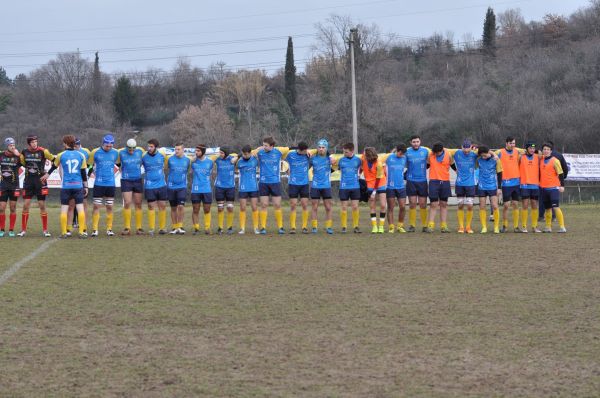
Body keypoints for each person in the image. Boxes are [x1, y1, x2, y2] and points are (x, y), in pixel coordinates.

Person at [18, 135, 55, 237]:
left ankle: (45, 230)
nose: (35, 144)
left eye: (36, 142)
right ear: (29, 143)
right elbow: (22, 163)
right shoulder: (24, 152)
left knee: (42, 205)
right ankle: (23, 230)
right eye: (33, 142)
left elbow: (55, 161)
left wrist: (48, 174)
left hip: (41, 181)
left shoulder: (44, 151)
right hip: (28, 181)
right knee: (25, 205)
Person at [54, 135, 88, 239]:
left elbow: (53, 166)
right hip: (78, 186)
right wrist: (86, 187)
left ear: (65, 143)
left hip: (66, 186)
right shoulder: (81, 155)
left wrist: (46, 175)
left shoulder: (61, 155)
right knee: (80, 208)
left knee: (64, 208)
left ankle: (64, 232)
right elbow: (83, 173)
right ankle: (81, 232)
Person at [255, 136, 290, 234]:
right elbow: (249, 153)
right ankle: (263, 227)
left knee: (277, 205)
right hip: (263, 182)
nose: (264, 147)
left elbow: (289, 149)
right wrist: (257, 149)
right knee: (264, 205)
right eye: (263, 145)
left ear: (272, 146)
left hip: (275, 182)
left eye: (266, 146)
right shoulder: (260, 152)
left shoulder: (278, 151)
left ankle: (280, 227)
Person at [89, 134, 120, 237]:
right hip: (99, 183)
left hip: (110, 184)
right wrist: (89, 176)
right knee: (96, 206)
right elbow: (89, 166)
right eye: (107, 146)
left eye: (111, 146)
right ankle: (94, 229)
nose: (109, 148)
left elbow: (119, 164)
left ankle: (109, 229)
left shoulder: (115, 153)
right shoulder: (95, 152)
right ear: (103, 144)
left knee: (110, 206)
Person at [496, 136, 524, 233]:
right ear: (506, 143)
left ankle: (516, 227)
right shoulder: (500, 152)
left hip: (516, 182)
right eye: (511, 143)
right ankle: (505, 226)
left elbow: (527, 151)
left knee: (516, 204)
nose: (513, 145)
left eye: (514, 143)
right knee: (506, 205)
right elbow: (490, 155)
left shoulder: (517, 151)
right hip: (506, 182)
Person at [141, 139, 168, 236]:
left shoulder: (162, 155)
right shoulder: (144, 156)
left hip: (161, 185)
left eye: (151, 146)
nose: (149, 148)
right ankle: (151, 228)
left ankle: (162, 228)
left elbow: (166, 165)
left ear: (156, 147)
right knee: (151, 206)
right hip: (149, 185)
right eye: (148, 146)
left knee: (162, 206)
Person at [425, 142, 454, 233]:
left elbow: (452, 164)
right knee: (433, 204)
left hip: (445, 181)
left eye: (438, 152)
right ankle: (430, 225)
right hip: (434, 181)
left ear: (442, 150)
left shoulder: (448, 154)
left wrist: (457, 171)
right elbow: (427, 165)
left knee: (444, 204)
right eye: (435, 152)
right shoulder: (430, 155)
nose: (436, 154)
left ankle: (443, 226)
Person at [118, 138, 145, 235]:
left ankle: (139, 228)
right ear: (126, 147)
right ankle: (127, 228)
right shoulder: (121, 153)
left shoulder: (140, 151)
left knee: (138, 203)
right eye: (130, 149)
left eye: (133, 149)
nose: (131, 151)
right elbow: (117, 164)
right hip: (126, 180)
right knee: (128, 202)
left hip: (137, 180)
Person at [405, 135, 430, 232]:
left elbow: (432, 160)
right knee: (412, 203)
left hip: (422, 181)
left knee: (423, 204)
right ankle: (412, 225)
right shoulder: (407, 151)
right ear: (411, 143)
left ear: (420, 142)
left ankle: (424, 226)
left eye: (417, 141)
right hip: (411, 181)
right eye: (414, 142)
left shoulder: (425, 151)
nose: (416, 143)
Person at [335, 142, 362, 233]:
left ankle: (356, 226)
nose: (344, 153)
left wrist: (358, 175)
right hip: (344, 187)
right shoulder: (341, 160)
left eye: (346, 152)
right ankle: (344, 226)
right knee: (344, 207)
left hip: (355, 186)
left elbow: (361, 168)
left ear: (352, 151)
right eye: (344, 152)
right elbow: (335, 169)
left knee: (355, 206)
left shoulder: (358, 160)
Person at [538, 140, 568, 222]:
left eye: (548, 149)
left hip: (553, 188)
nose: (546, 151)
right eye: (544, 149)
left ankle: (562, 227)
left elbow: (561, 173)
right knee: (547, 208)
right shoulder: (541, 159)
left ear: (551, 151)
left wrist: (562, 185)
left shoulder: (555, 160)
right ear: (542, 150)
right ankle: (548, 227)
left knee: (555, 207)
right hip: (543, 188)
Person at [309, 139, 334, 234]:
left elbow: (335, 166)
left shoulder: (330, 159)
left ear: (326, 148)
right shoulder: (313, 158)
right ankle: (314, 227)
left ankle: (329, 227)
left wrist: (332, 161)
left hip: (326, 186)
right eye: (319, 147)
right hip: (315, 186)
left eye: (323, 147)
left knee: (328, 207)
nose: (321, 149)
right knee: (314, 207)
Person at [285, 142, 310, 234]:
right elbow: (282, 158)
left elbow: (319, 151)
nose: (307, 151)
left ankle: (304, 227)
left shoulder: (308, 154)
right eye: (305, 150)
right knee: (293, 205)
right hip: (293, 183)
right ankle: (293, 227)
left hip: (304, 183)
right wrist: (286, 169)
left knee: (304, 205)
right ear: (301, 150)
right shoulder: (290, 154)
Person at [453, 139, 478, 234]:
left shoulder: (474, 153)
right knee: (460, 205)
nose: (466, 151)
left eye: (468, 149)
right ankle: (461, 227)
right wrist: (454, 168)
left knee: (470, 206)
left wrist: (495, 155)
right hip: (459, 184)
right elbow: (444, 150)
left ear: (471, 147)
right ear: (461, 147)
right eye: (465, 149)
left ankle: (468, 227)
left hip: (470, 184)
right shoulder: (456, 153)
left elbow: (486, 151)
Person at [476, 146, 502, 234]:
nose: (484, 157)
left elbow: (499, 174)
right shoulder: (478, 159)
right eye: (482, 155)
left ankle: (496, 227)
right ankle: (484, 227)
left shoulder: (495, 159)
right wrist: (489, 152)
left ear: (488, 152)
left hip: (492, 186)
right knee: (482, 206)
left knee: (495, 205)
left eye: (485, 155)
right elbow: (474, 151)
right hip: (482, 186)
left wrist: (499, 188)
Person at [166, 143, 190, 234]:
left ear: (183, 150)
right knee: (173, 208)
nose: (176, 151)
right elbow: (166, 168)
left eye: (178, 149)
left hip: (182, 187)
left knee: (181, 206)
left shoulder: (187, 160)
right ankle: (174, 227)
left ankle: (180, 226)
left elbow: (188, 169)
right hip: (171, 186)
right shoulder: (170, 159)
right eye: (175, 149)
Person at [68, 138, 91, 233]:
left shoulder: (86, 152)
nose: (75, 147)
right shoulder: (69, 152)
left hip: (82, 181)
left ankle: (84, 226)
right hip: (72, 182)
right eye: (74, 145)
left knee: (83, 204)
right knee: (71, 204)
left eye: (77, 145)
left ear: (79, 144)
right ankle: (71, 224)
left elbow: (90, 165)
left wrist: (88, 175)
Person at [362, 147, 387, 234]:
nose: (363, 155)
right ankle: (374, 227)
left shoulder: (379, 163)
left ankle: (381, 226)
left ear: (369, 155)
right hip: (369, 184)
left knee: (383, 205)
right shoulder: (363, 158)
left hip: (380, 183)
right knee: (372, 206)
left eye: (365, 154)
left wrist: (374, 192)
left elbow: (378, 178)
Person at [0, 137, 22, 237]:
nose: (13, 147)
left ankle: (11, 230)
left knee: (13, 208)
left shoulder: (18, 156)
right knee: (1, 208)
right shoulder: (1, 155)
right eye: (10, 145)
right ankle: (2, 229)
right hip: (3, 185)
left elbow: (26, 163)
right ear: (7, 146)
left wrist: (19, 155)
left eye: (13, 145)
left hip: (14, 185)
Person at [190, 144, 214, 235]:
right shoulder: (193, 161)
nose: (196, 152)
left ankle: (207, 228)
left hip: (206, 189)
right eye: (195, 151)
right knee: (195, 209)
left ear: (203, 152)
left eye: (198, 151)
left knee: (207, 209)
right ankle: (196, 228)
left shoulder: (210, 162)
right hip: (195, 189)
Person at [236, 145, 260, 235]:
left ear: (250, 153)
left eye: (246, 154)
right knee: (242, 208)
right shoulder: (239, 161)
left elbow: (260, 148)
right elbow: (235, 169)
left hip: (253, 187)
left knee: (254, 207)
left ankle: (256, 228)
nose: (244, 156)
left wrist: (255, 151)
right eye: (243, 154)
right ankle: (242, 228)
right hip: (243, 188)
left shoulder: (255, 159)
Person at [214, 146, 238, 235]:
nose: (220, 154)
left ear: (226, 153)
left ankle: (230, 227)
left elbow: (242, 154)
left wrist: (237, 156)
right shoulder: (217, 159)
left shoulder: (232, 159)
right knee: (220, 208)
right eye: (220, 152)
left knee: (230, 208)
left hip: (230, 187)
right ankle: (220, 228)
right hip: (219, 187)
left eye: (222, 153)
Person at [519, 141, 541, 233]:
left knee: (534, 205)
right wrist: (521, 152)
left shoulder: (538, 157)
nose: (532, 150)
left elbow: (543, 154)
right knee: (525, 205)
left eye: (533, 148)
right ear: (526, 149)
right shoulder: (521, 157)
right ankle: (524, 226)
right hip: (524, 185)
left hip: (535, 185)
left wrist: (539, 152)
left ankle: (534, 226)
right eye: (530, 148)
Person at [385, 144, 408, 233]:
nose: (401, 155)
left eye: (403, 154)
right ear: (397, 151)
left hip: (401, 186)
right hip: (390, 186)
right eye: (400, 153)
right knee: (391, 207)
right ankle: (391, 227)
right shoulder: (388, 157)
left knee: (402, 206)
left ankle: (400, 226)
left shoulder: (404, 158)